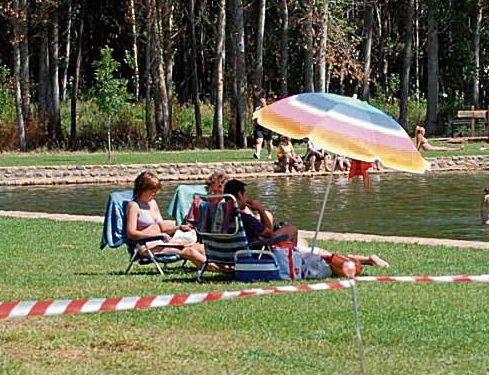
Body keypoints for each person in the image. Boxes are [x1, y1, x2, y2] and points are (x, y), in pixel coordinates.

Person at [223, 179, 388, 272]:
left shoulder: (222, 217)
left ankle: (367, 259)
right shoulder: (244, 218)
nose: (247, 198)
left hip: (239, 254)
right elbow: (270, 234)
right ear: (239, 195)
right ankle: (367, 259)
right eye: (245, 194)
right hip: (261, 252)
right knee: (295, 233)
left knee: (308, 248)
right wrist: (260, 209)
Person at [125, 171, 209, 269]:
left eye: (156, 192)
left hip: (162, 242)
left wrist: (179, 228)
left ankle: (218, 266)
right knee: (188, 251)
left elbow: (162, 226)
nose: (155, 195)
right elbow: (131, 233)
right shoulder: (134, 206)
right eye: (152, 192)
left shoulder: (152, 203)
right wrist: (157, 235)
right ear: (142, 189)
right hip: (145, 246)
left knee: (199, 247)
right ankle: (218, 269)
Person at [253, 92, 275, 160]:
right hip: (259, 128)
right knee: (259, 141)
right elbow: (255, 117)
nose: (262, 103)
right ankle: (258, 154)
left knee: (269, 143)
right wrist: (254, 123)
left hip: (268, 128)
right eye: (261, 102)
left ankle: (269, 154)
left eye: (263, 102)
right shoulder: (257, 109)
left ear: (265, 103)